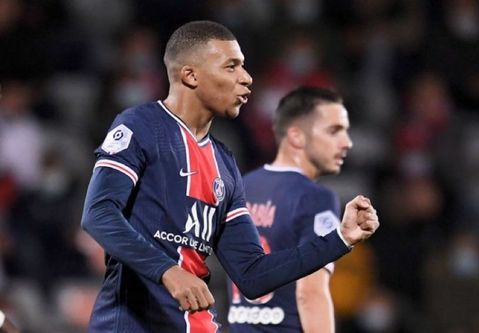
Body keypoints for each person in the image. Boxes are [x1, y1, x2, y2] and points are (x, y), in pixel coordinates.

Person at [81, 20, 379, 332]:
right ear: (191, 75)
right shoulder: (140, 126)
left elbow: (253, 274)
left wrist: (340, 239)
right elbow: (98, 214)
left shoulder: (224, 162)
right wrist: (167, 270)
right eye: (231, 66)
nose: (247, 78)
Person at [227, 87, 352, 332]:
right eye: (334, 131)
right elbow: (310, 294)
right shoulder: (315, 198)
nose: (347, 142)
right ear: (296, 136)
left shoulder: (241, 186)